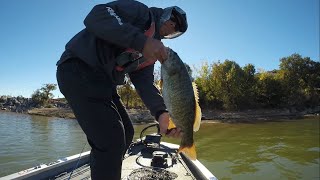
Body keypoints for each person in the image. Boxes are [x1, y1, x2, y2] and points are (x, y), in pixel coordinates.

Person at [56, 1, 188, 179]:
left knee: (127, 132)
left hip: (105, 84)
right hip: (78, 69)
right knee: (111, 139)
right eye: (172, 19)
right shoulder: (141, 13)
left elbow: (145, 83)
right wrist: (141, 41)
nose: (172, 26)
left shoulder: (152, 52)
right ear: (163, 14)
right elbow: (97, 15)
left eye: (177, 28)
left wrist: (162, 113)